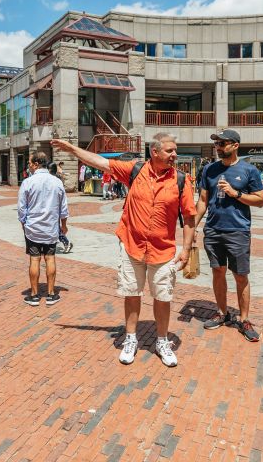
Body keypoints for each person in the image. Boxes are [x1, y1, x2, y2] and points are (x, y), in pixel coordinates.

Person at [51, 133, 196, 368]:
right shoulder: (134, 170)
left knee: (163, 296)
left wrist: (187, 249)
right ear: (155, 152)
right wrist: (71, 148)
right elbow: (99, 162)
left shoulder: (181, 180)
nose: (174, 155)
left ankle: (162, 340)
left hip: (163, 250)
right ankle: (131, 338)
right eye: (170, 151)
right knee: (132, 293)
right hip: (132, 245)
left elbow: (189, 217)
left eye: (175, 150)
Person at [194, 129, 263, 342]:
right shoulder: (209, 170)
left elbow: (260, 200)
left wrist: (236, 194)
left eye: (223, 143)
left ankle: (244, 320)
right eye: (216, 144)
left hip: (238, 230)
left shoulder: (249, 170)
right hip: (213, 230)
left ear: (235, 145)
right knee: (217, 272)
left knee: (240, 275)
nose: (218, 147)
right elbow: (203, 200)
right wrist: (193, 225)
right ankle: (222, 312)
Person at [18, 152, 69, 306]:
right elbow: (63, 208)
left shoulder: (27, 182)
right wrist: (64, 225)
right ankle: (51, 294)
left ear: (36, 163)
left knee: (34, 259)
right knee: (50, 258)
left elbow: (22, 209)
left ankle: (34, 295)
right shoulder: (57, 182)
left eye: (30, 163)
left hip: (33, 227)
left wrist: (24, 225)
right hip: (51, 227)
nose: (29, 165)